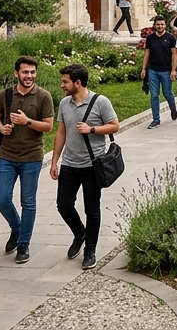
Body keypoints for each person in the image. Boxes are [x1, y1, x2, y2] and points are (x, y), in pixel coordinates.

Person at [51, 63, 119, 270]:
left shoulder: (100, 102)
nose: (62, 85)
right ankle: (79, 233)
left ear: (77, 83)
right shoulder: (64, 103)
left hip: (92, 165)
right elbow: (61, 132)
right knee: (63, 205)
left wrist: (92, 129)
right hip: (70, 164)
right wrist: (55, 161)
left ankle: (90, 250)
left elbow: (115, 125)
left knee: (92, 209)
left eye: (65, 81)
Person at [0, 56, 55, 264]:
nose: (29, 76)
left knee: (28, 202)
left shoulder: (43, 96)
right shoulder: (5, 94)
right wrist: (1, 127)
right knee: (2, 198)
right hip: (7, 155)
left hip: (31, 156)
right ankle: (17, 228)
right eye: (25, 72)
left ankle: (23, 244)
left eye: (33, 72)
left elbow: (48, 126)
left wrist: (27, 122)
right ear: (16, 73)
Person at [140, 17, 177, 129]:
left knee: (167, 93)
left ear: (165, 25)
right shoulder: (150, 38)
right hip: (153, 71)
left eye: (162, 24)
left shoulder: (170, 38)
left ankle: (173, 108)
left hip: (166, 70)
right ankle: (156, 119)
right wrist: (143, 68)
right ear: (155, 25)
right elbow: (147, 53)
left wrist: (174, 69)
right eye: (158, 24)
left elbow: (174, 54)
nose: (160, 26)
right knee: (154, 95)